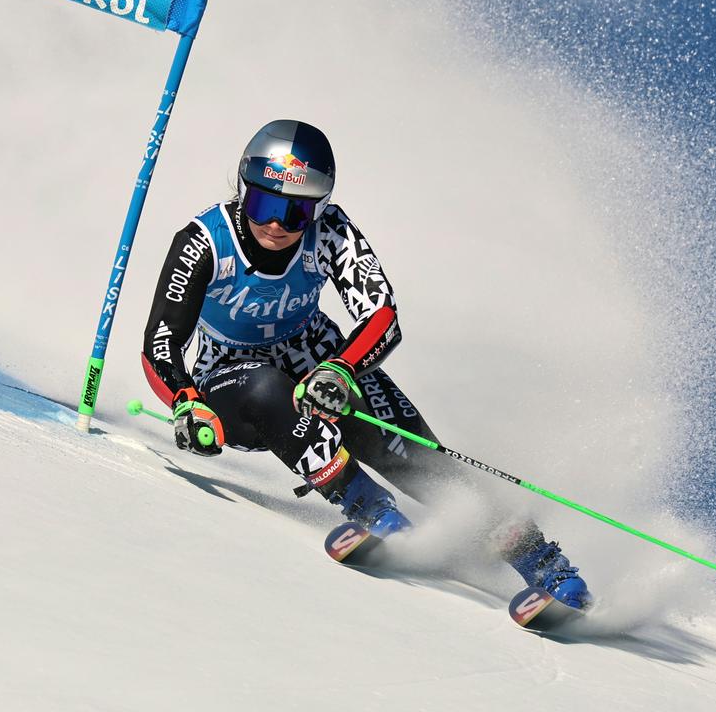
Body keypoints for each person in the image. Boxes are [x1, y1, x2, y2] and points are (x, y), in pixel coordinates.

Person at [140, 119, 591, 608]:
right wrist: (185, 401)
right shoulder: (204, 240)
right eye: (263, 205)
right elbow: (160, 341)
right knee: (266, 388)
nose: (276, 225)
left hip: (315, 356)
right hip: (230, 377)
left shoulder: (330, 231)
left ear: (319, 209)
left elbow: (381, 316)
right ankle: (370, 508)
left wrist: (341, 369)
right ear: (243, 191)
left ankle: (545, 564)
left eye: (296, 213)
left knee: (416, 457)